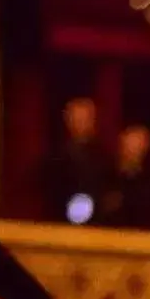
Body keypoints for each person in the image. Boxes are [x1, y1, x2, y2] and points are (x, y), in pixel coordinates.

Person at [39, 95, 113, 225]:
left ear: (93, 120)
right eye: (76, 118)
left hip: (97, 224)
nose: (80, 123)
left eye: (84, 118)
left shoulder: (105, 157)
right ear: (67, 120)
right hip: (59, 222)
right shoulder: (55, 157)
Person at [102, 122, 150, 228]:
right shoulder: (104, 176)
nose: (134, 148)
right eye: (131, 141)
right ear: (121, 140)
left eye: (140, 142)